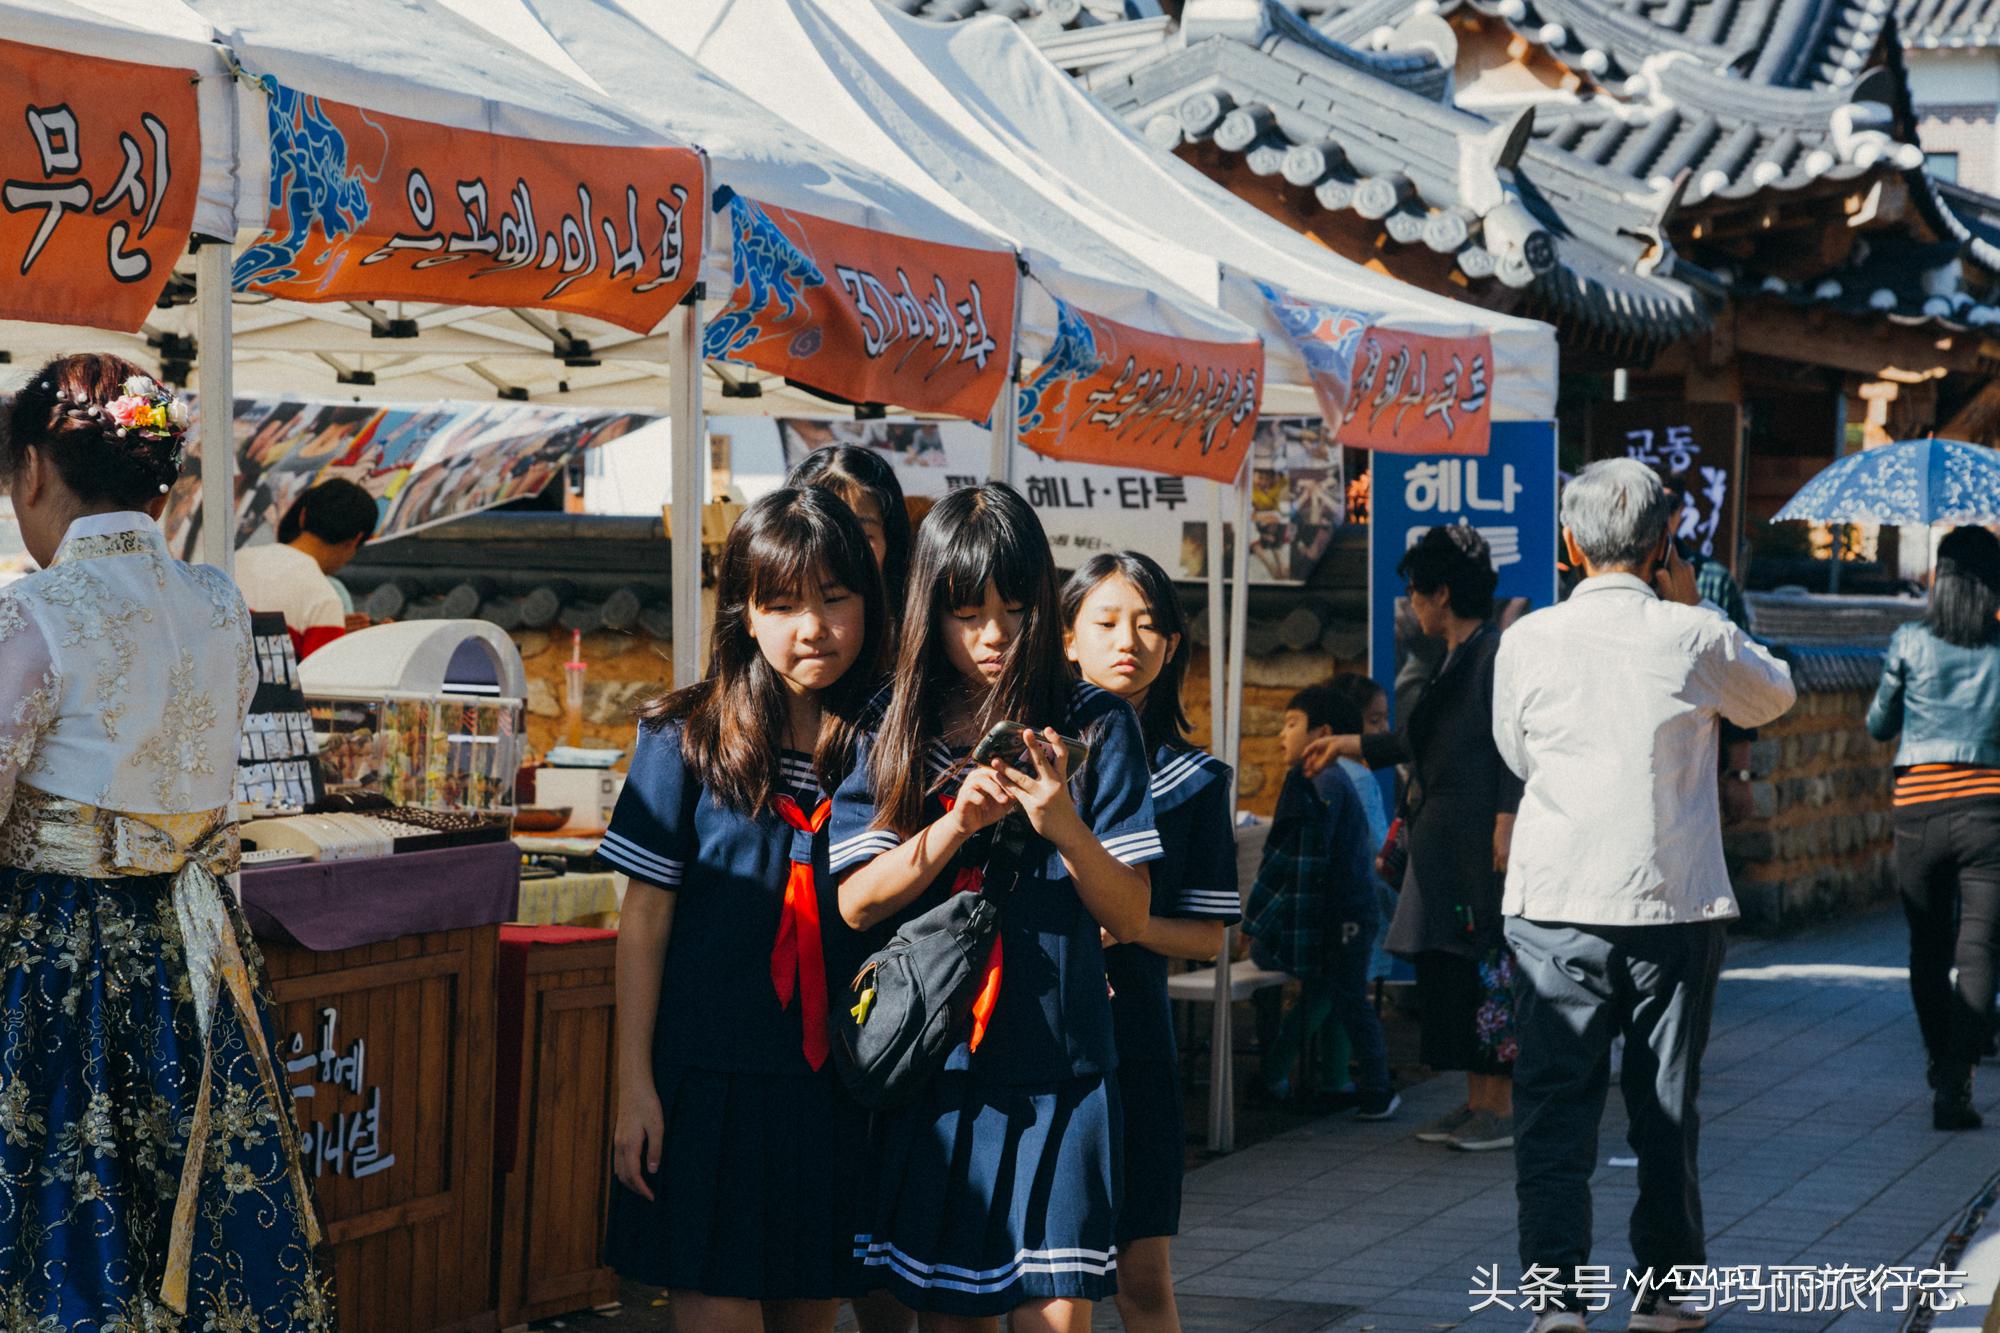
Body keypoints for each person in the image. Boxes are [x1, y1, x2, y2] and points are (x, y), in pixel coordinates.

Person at [0, 355, 331, 1327]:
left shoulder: (37, 610)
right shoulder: (219, 603)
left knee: (65, 1211)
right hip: (193, 949)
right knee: (188, 1210)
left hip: (59, 958)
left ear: (30, 470)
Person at [829, 483, 1159, 1330]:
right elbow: (858, 902)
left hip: (1064, 1060)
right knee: (949, 1314)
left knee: (1057, 1312)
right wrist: (953, 826)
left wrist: (1062, 823)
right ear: (929, 610)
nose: (994, 636)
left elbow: (1129, 914)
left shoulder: (1097, 725)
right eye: (967, 612)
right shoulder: (890, 723)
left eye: (1015, 608)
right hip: (940, 1062)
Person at [1492, 460, 1795, 1331]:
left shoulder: (1527, 639)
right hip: (1672, 901)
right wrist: (1698, 603)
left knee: (1552, 1106)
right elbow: (1773, 696)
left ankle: (1554, 1299)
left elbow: (1517, 753)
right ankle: (1665, 1292)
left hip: (1554, 900)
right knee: (1665, 1105)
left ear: (1569, 543)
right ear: (1665, 542)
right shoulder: (1694, 635)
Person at [604, 488, 887, 1332]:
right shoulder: (683, 738)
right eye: (785, 602)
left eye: (836, 597)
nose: (815, 626)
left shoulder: (890, 747)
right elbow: (644, 921)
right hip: (710, 1086)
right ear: (745, 613)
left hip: (833, 1087)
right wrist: (633, 1088)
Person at [1062, 551, 1240, 1333]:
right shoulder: (1027, 760)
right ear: (1066, 637)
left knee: (1142, 1274)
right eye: (1104, 622)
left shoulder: (1194, 779)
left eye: (1147, 623)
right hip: (1031, 1032)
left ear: (1172, 645)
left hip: (1135, 1036)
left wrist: (1127, 925)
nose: (1126, 639)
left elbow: (1206, 935)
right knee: (1050, 1282)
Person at [1301, 525, 1522, 1153]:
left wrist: (1508, 817)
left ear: (1442, 594)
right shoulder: (1456, 655)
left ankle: (1498, 1107)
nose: (1413, 605)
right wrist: (1347, 743)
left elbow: (1515, 744)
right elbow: (1415, 744)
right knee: (1454, 966)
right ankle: (1477, 1100)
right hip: (1447, 843)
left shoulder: (1494, 655)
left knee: (1487, 966)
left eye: (1417, 593)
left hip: (1481, 840)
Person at [1867, 525, 2000, 1132]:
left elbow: (1878, 724)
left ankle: (1940, 1056)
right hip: (1989, 811)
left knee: (1927, 947)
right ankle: (1956, 1076)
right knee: (1979, 947)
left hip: (1918, 806)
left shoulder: (1910, 640)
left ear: (1940, 578)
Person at [1250, 684, 1400, 1120]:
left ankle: (1375, 1088)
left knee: (1343, 996)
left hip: (1342, 914)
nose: (1281, 735)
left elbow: (1295, 862)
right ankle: (1337, 1081)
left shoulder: (1321, 781)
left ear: (1323, 733)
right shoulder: (1330, 778)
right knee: (1338, 993)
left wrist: (1257, 923)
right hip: (1347, 912)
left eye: (1292, 724)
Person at [234, 477, 378, 656]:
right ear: (356, 539)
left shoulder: (236, 561)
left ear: (302, 516)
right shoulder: (324, 600)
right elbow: (320, 680)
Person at [786, 444, 914, 637]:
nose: (843, 552)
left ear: (890, 538)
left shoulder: (921, 635)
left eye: (862, 535)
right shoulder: (779, 634)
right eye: (825, 533)